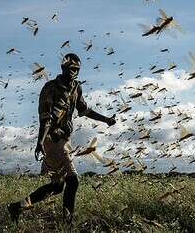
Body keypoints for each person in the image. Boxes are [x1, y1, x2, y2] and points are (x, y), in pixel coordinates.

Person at [8, 53, 116, 225]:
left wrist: (106, 119)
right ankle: (68, 223)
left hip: (65, 139)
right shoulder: (50, 88)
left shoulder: (76, 88)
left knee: (57, 187)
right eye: (70, 68)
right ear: (63, 68)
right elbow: (45, 118)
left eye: (77, 69)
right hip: (52, 139)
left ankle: (17, 207)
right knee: (73, 180)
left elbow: (84, 109)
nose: (74, 72)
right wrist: (40, 142)